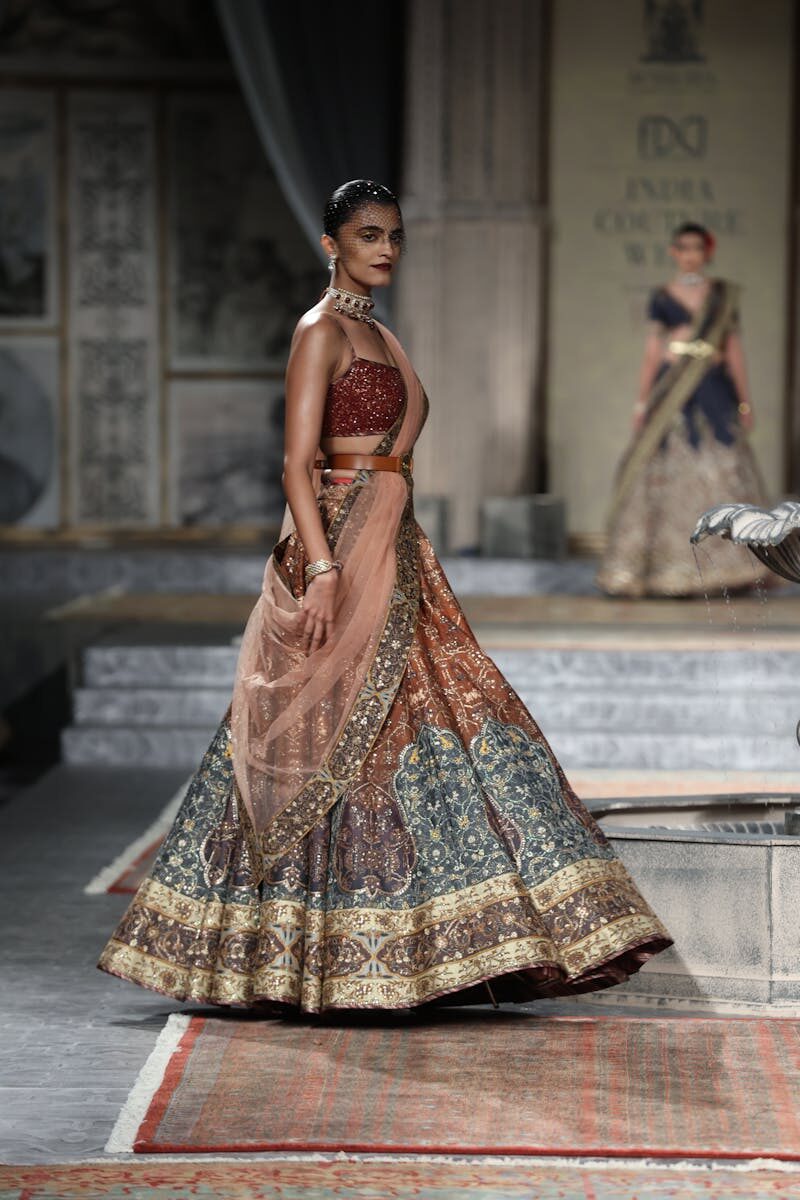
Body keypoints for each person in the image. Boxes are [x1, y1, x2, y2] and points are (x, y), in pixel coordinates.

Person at [99, 180, 671, 1012]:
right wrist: (326, 570)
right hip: (338, 543)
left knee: (441, 717)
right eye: (369, 235)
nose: (387, 249)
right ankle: (292, 955)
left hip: (395, 545)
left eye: (395, 236)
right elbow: (297, 465)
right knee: (319, 729)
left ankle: (433, 945)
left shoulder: (378, 331)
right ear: (331, 242)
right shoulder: (320, 331)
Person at [597, 222, 771, 597]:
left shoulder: (723, 296)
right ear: (674, 252)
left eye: (697, 248)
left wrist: (744, 400)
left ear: (707, 252)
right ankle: (667, 569)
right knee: (664, 473)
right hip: (673, 389)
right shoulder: (662, 297)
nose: (690, 255)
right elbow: (651, 353)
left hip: (713, 389)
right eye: (683, 248)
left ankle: (731, 569)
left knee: (722, 469)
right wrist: (642, 403)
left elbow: (734, 351)